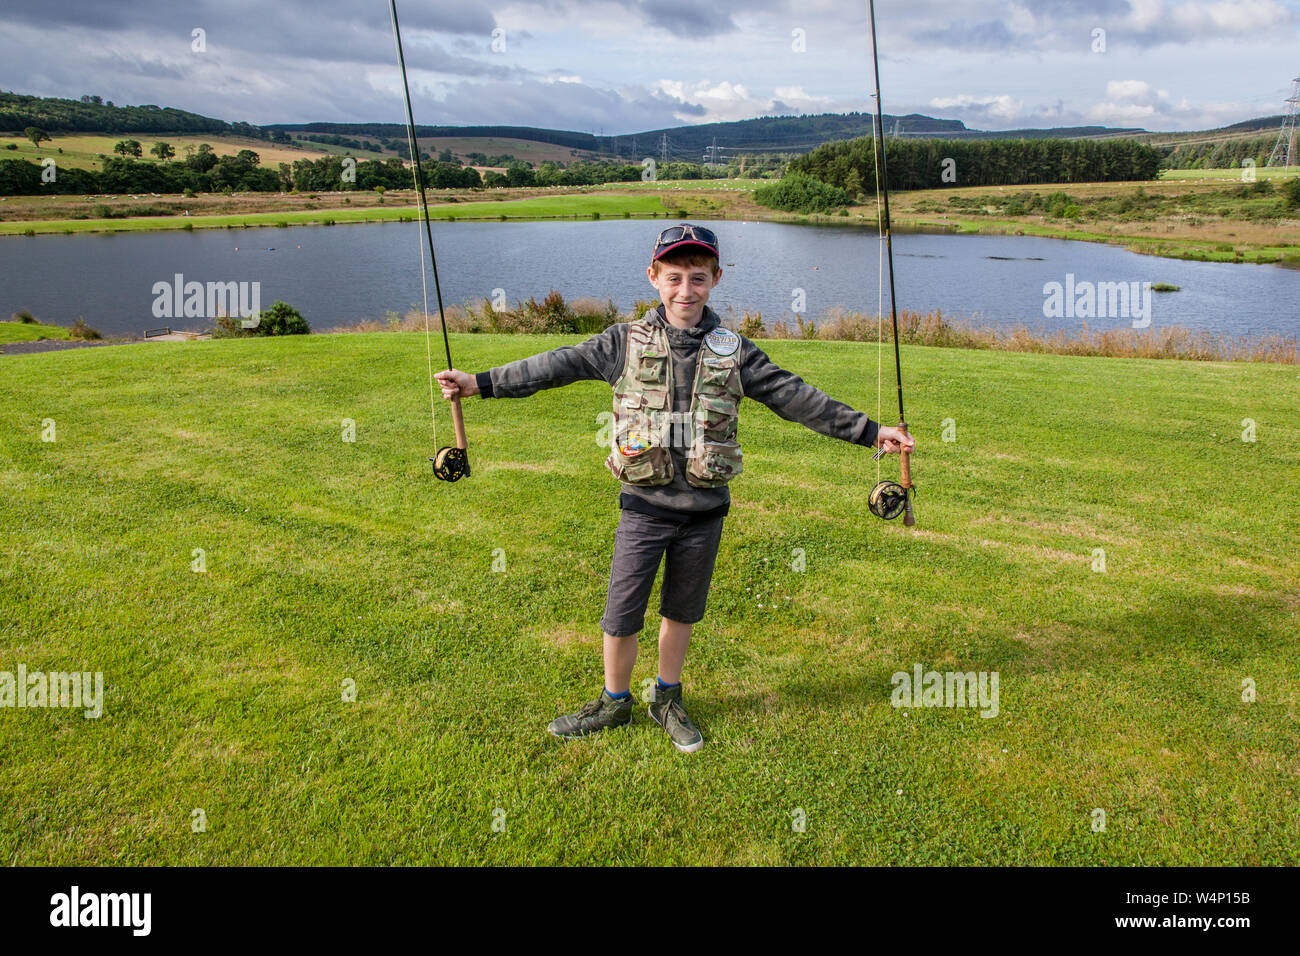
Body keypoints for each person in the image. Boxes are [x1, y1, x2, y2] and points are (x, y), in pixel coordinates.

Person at [434, 223, 914, 753]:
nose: (686, 289)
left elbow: (796, 397)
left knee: (681, 612)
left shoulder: (737, 353)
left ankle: (667, 698)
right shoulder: (621, 342)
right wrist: (480, 383)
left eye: (698, 278)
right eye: (675, 277)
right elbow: (557, 365)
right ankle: (614, 702)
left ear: (715, 280)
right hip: (643, 506)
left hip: (705, 510)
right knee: (621, 613)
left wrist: (870, 432)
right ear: (653, 278)